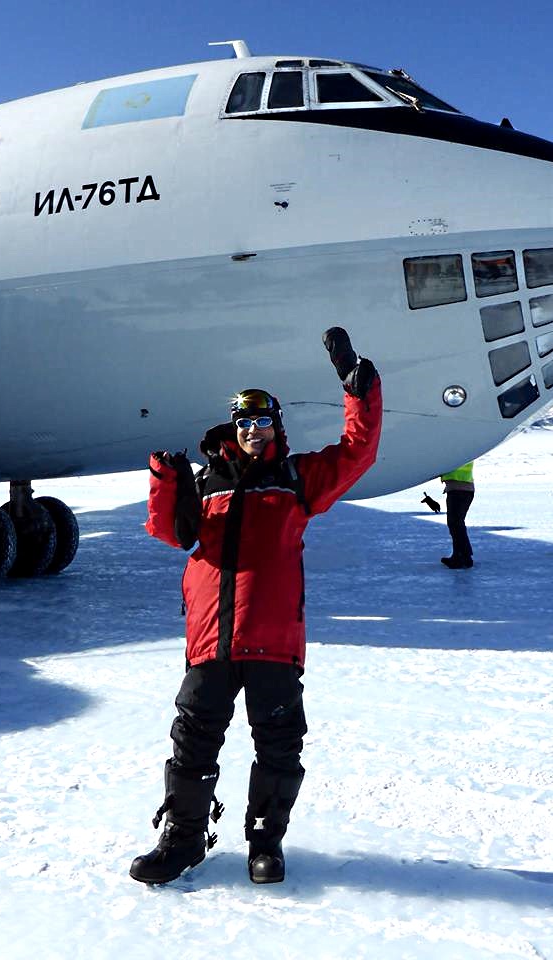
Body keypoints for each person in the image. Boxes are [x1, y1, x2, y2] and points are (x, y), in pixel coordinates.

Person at [130, 327, 382, 886]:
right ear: (233, 427)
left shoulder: (297, 479)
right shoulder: (206, 481)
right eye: (244, 422)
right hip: (211, 639)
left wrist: (357, 388)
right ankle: (183, 840)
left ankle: (266, 843)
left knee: (278, 744)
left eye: (263, 421)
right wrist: (165, 481)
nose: (253, 430)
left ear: (276, 427)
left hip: (272, 638)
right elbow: (170, 534)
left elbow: (358, 450)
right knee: (192, 742)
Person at [440, 461, 474, 569]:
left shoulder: (456, 449)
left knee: (455, 524)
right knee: (456, 524)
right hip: (463, 488)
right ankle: (459, 556)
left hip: (459, 490)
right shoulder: (464, 449)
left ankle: (464, 556)